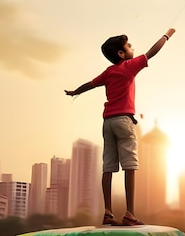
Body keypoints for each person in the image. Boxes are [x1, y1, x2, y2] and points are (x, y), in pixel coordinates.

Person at [65, 28, 175, 226]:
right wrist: (166, 35)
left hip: (108, 123)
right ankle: (130, 213)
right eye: (129, 46)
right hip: (124, 121)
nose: (133, 48)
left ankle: (108, 212)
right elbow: (152, 52)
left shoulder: (108, 72)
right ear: (121, 54)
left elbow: (89, 84)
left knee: (108, 167)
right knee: (130, 166)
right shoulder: (129, 66)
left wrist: (75, 92)